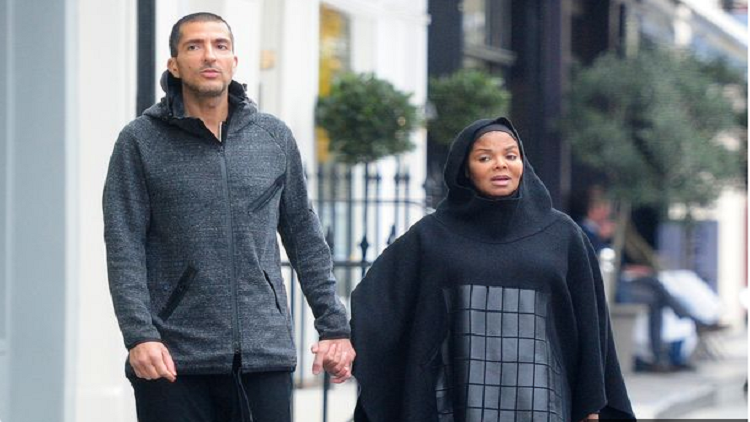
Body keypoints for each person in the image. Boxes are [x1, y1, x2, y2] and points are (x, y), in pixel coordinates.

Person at [103, 12, 354, 422]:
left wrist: (334, 326)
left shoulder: (273, 137)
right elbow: (123, 245)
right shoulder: (140, 141)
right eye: (194, 46)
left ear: (234, 62)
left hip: (264, 356)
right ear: (174, 64)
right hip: (172, 359)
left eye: (220, 46)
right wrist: (140, 335)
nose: (209, 55)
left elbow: (305, 237)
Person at [350, 117, 634, 422]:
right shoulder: (431, 236)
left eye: (511, 155)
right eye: (485, 158)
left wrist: (590, 404)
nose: (500, 164)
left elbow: (590, 323)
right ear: (465, 168)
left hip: (543, 405)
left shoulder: (563, 235)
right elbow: (376, 304)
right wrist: (338, 336)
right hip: (454, 404)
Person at [578, 187, 696, 372]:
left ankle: (660, 355)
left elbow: (620, 263)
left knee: (654, 288)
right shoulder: (584, 231)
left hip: (620, 281)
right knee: (656, 295)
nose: (607, 212)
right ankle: (683, 318)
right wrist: (604, 238)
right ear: (593, 210)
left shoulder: (602, 232)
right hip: (610, 288)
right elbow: (599, 261)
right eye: (603, 207)